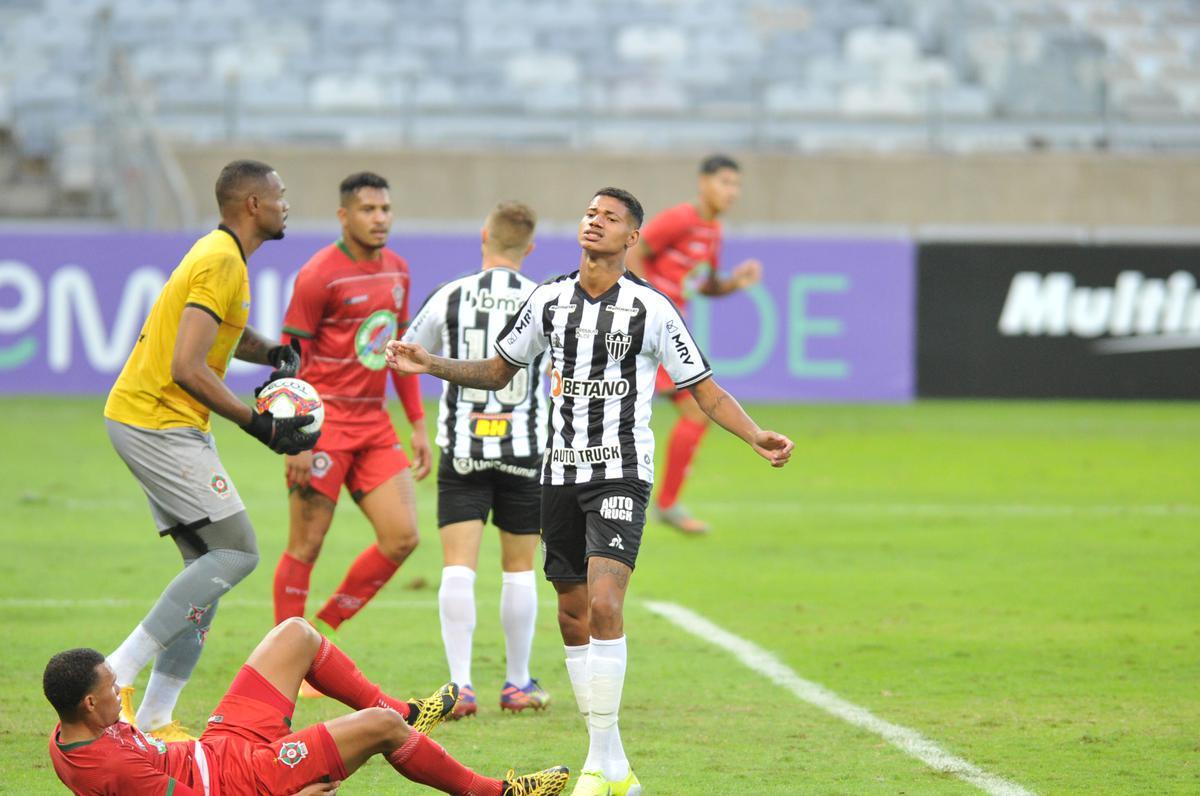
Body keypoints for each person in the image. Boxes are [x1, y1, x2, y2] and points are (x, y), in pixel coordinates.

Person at [385, 188, 794, 796]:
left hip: (621, 473)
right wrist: (432, 364)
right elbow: (499, 371)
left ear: (632, 238)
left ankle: (599, 766)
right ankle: (613, 765)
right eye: (589, 213)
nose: (594, 222)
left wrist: (754, 433)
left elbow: (704, 389)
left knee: (605, 606)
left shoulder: (651, 309)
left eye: (609, 217)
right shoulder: (546, 300)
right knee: (573, 615)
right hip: (559, 475)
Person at [103, 159, 319, 742]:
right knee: (238, 552)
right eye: (280, 194)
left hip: (157, 419)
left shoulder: (225, 258)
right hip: (157, 420)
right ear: (252, 204)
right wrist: (258, 425)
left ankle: (153, 716)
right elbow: (187, 365)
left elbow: (217, 333)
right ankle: (114, 675)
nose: (286, 203)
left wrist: (270, 351)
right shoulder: (221, 259)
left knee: (209, 567)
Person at [44, 617, 570, 795]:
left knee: (295, 634)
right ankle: (490, 792)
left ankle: (413, 716)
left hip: (218, 748)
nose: (121, 692)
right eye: (113, 688)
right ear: (91, 702)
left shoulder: (69, 732)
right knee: (380, 728)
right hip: (248, 781)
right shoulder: (113, 766)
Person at [271, 172, 432, 676]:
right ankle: (282, 664)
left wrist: (418, 423)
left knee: (402, 537)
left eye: (385, 209)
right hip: (324, 427)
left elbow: (398, 353)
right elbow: (287, 359)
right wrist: (294, 434)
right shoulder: (319, 275)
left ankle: (323, 633)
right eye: (368, 210)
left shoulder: (399, 271)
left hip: (374, 427)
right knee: (306, 545)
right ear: (344, 216)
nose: (380, 218)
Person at [402, 201, 551, 719]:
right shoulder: (544, 299)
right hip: (526, 450)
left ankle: (461, 687)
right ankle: (516, 683)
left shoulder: (451, 295)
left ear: (483, 235)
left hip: (463, 450)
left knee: (458, 568)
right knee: (518, 571)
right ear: (529, 247)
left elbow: (404, 352)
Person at [625, 154, 764, 534]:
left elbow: (704, 284)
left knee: (694, 411)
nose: (731, 191)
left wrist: (735, 282)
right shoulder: (680, 218)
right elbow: (636, 251)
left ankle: (666, 503)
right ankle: (662, 503)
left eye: (736, 185)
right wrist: (647, 303)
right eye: (724, 182)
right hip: (646, 329)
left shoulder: (712, 231)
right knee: (690, 409)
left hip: (666, 331)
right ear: (703, 183)